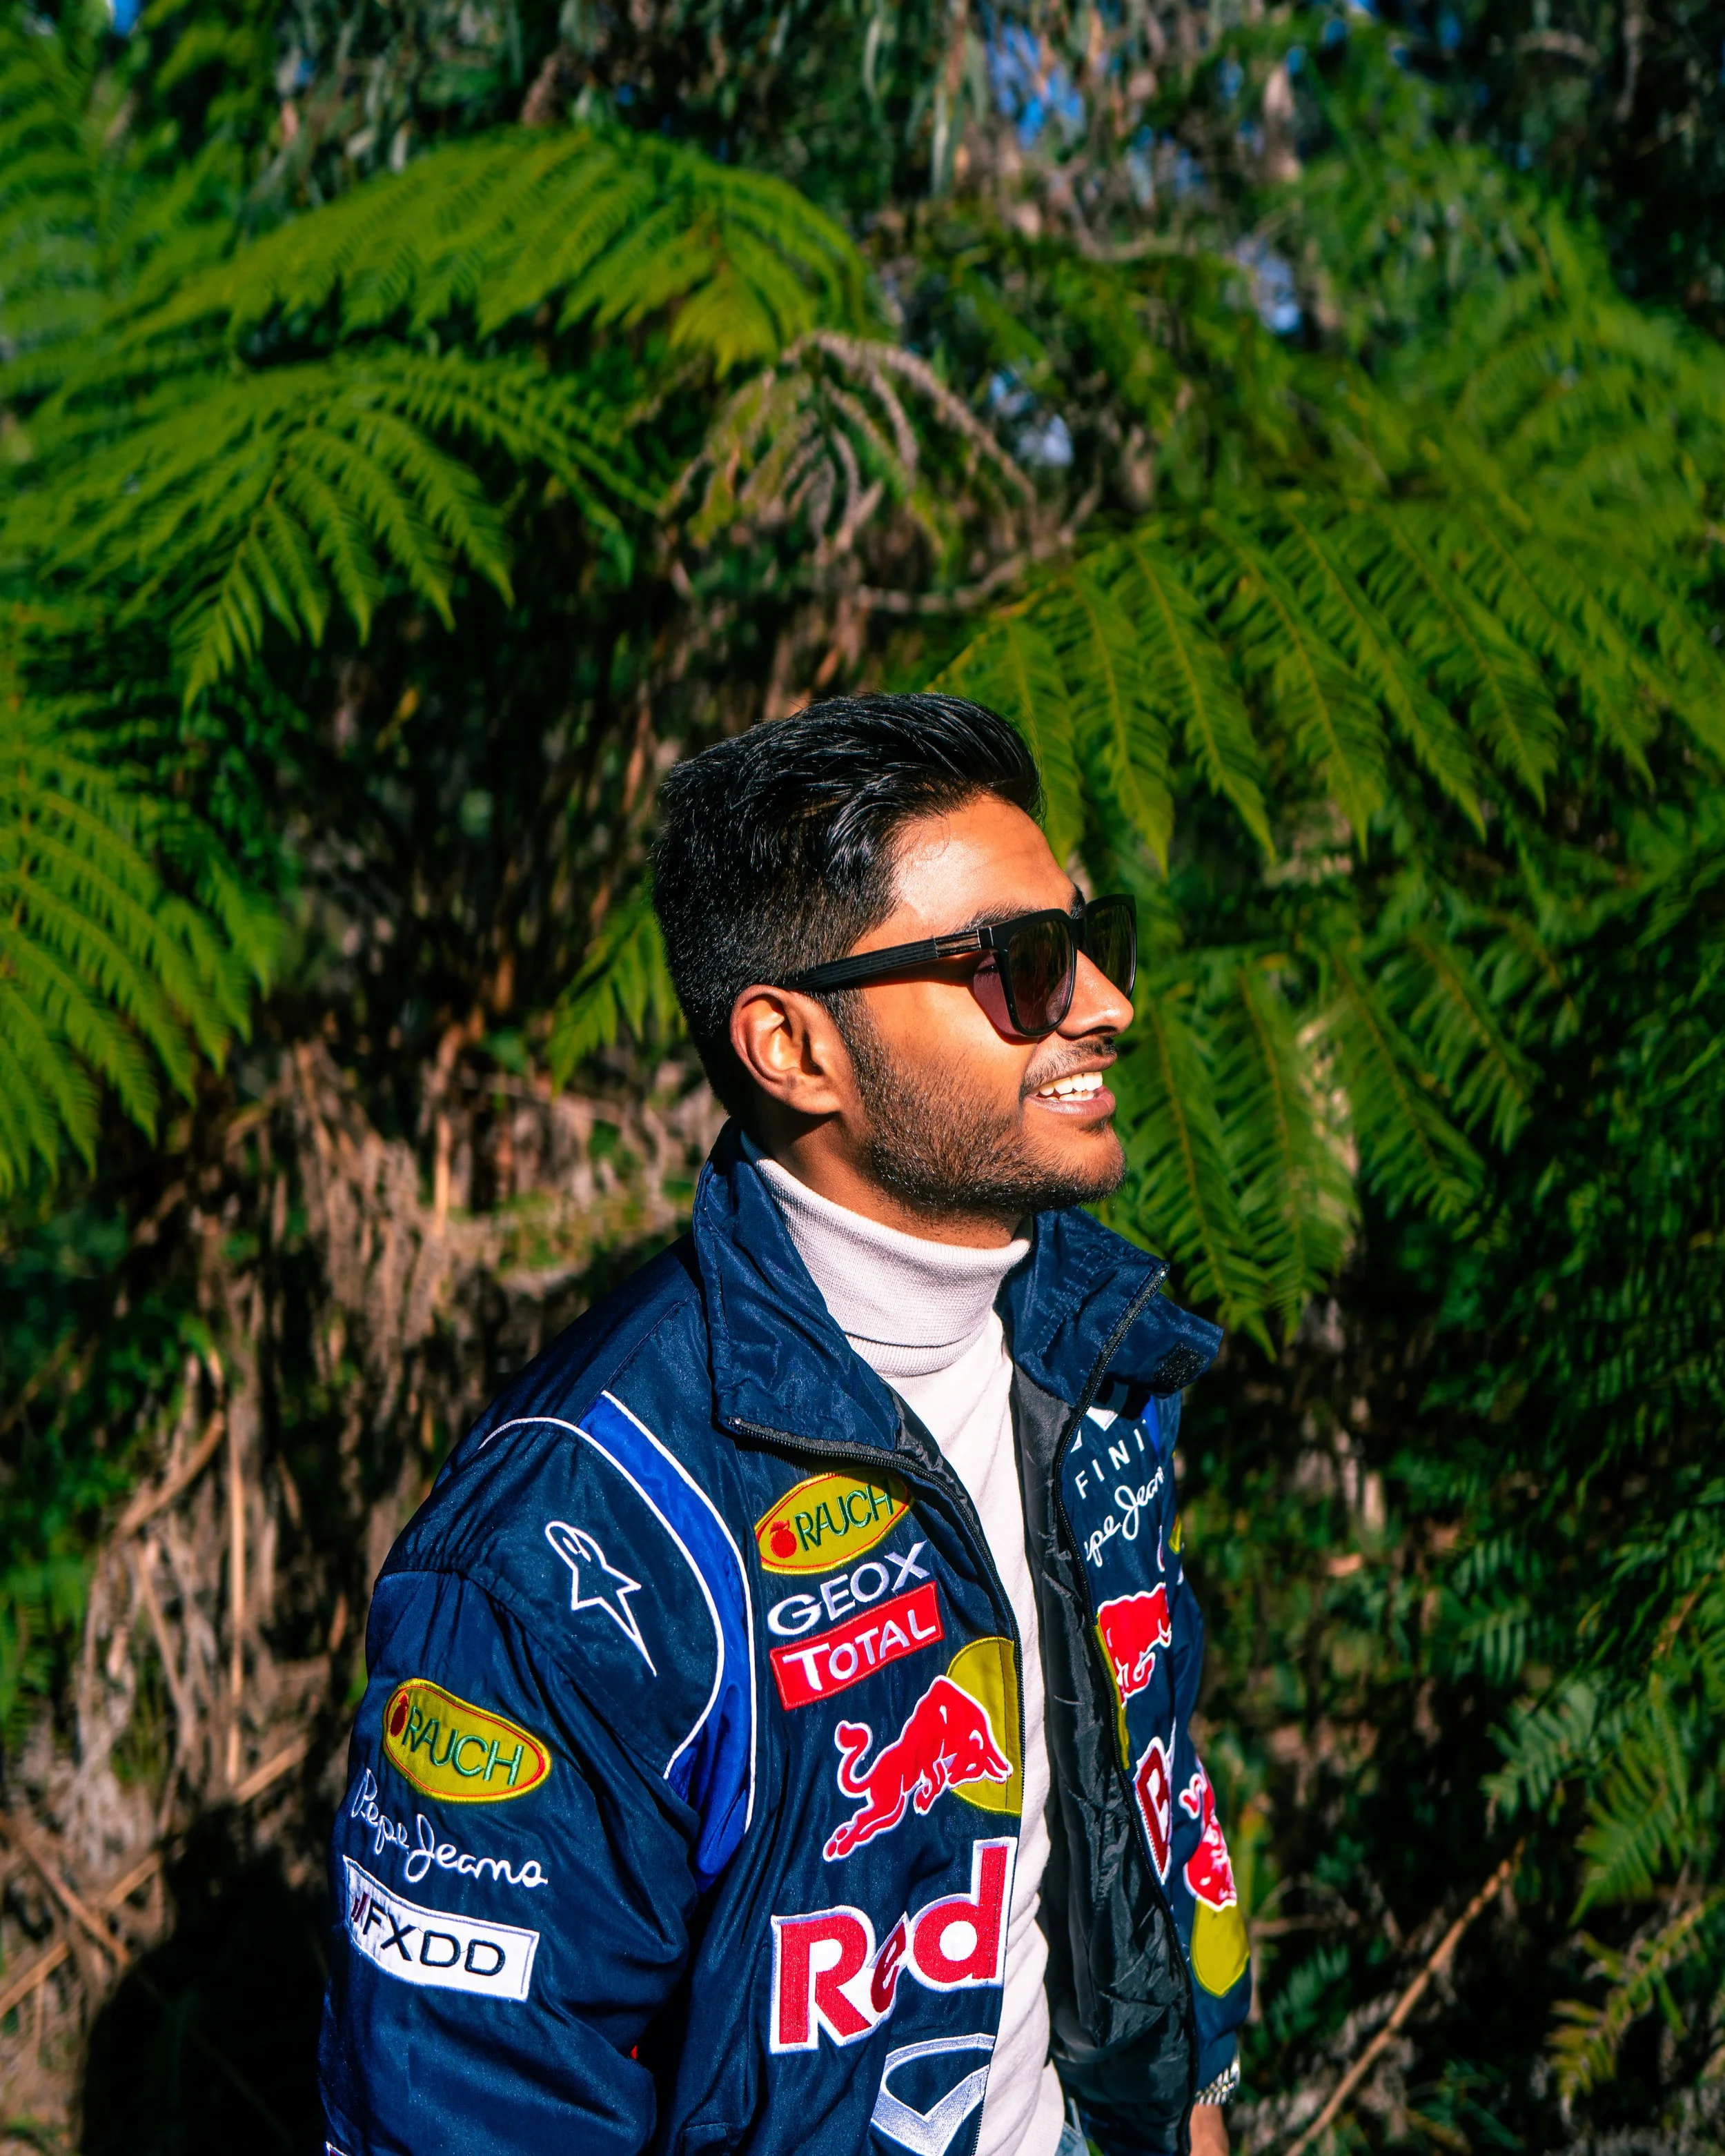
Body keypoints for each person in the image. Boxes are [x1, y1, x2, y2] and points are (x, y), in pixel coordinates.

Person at [317, 693, 1249, 2156]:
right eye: (1018, 965)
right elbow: (471, 2100)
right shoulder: (568, 1539)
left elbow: (1147, 1814)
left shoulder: (1098, 1345)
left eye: (1090, 940)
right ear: (791, 1046)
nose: (1103, 1004)